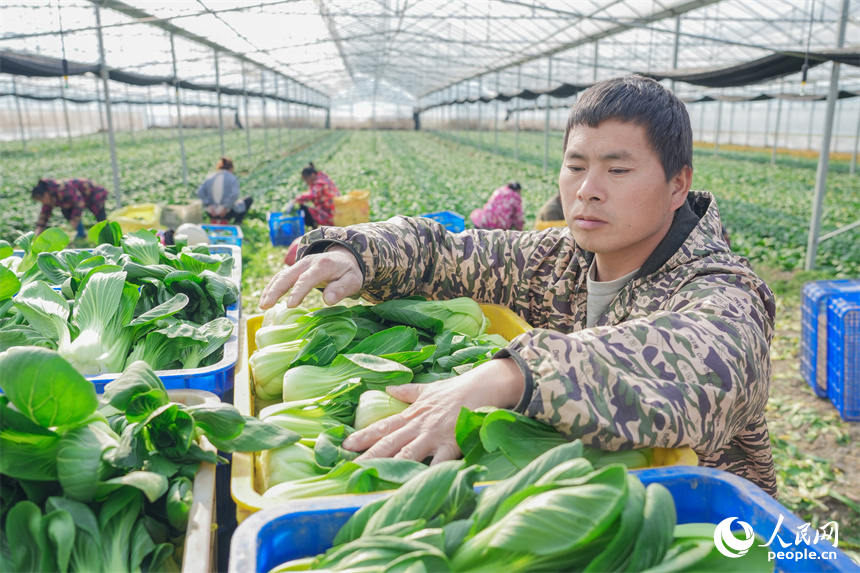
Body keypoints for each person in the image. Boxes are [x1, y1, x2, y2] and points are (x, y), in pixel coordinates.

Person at [259, 76, 776, 497]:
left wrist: (509, 377)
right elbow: (446, 252)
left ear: (677, 185)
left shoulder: (723, 290)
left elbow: (702, 358)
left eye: (617, 169)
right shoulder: (556, 260)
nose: (588, 191)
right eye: (575, 166)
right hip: (576, 505)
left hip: (698, 531)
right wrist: (357, 252)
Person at [32, 178, 108, 238]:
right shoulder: (50, 197)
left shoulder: (63, 189)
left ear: (45, 194)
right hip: (82, 197)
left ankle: (107, 234)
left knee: (99, 213)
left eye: (41, 199)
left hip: (95, 193)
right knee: (65, 211)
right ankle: (81, 234)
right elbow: (45, 212)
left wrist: (74, 220)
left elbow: (79, 202)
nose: (43, 202)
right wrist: (39, 229)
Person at [197, 157, 253, 224]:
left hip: (212, 213)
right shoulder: (232, 178)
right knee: (249, 199)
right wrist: (225, 207)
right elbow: (234, 194)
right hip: (226, 213)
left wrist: (209, 205)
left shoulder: (210, 177)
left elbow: (200, 192)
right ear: (231, 168)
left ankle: (215, 220)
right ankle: (238, 222)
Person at [289, 163, 340, 229]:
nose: (306, 182)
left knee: (304, 210)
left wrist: (296, 199)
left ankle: (314, 228)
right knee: (308, 208)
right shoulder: (322, 176)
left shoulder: (320, 182)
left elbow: (313, 194)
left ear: (312, 175)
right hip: (330, 208)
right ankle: (314, 228)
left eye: (306, 179)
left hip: (330, 212)